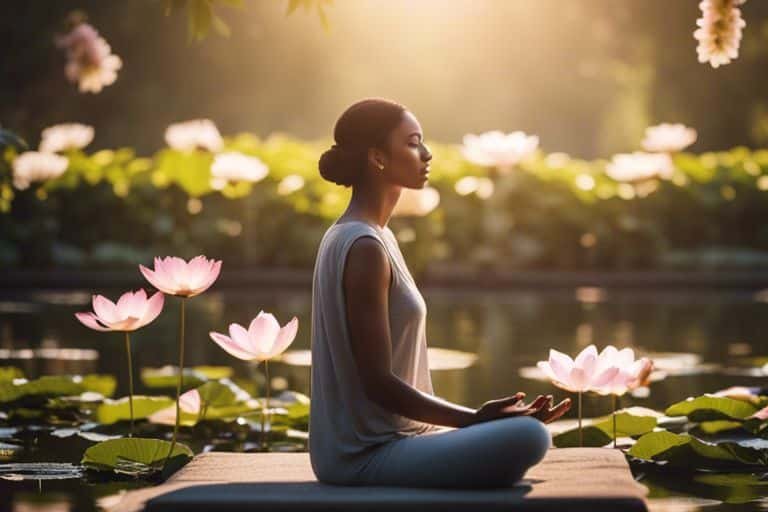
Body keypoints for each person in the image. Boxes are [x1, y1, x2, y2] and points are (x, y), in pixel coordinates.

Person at [309, 98, 571, 489]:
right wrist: (474, 419)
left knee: (524, 433)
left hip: (393, 442)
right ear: (378, 158)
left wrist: (476, 422)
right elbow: (376, 382)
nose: (427, 154)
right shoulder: (363, 246)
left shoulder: (375, 236)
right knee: (529, 437)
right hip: (363, 455)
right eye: (413, 142)